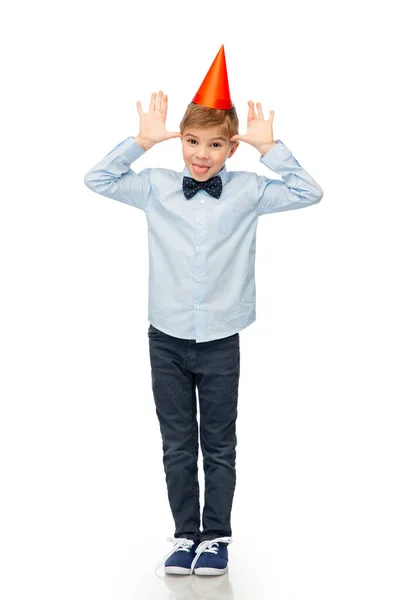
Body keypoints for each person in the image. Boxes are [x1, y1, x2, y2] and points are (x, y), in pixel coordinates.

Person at [84, 45, 323, 577]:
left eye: (216, 144)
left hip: (220, 337)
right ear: (181, 141)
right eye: (193, 141)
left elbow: (310, 192)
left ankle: (216, 537)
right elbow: (96, 180)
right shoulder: (155, 188)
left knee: (218, 442)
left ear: (231, 148)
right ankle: (184, 535)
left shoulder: (250, 192)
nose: (202, 154)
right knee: (176, 443)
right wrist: (141, 141)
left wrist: (273, 150)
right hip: (165, 336)